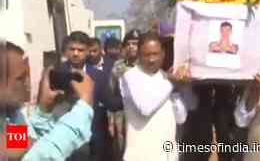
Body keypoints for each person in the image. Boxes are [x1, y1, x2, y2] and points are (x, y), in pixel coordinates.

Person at [0, 41, 95, 161]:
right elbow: (40, 156)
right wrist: (83, 109)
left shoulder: (11, 114)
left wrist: (43, 111)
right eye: (20, 78)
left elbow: (21, 152)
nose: (28, 84)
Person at [120, 33, 194, 161]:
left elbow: (181, 118)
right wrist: (172, 83)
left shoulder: (166, 78)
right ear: (139, 55)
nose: (151, 59)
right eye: (147, 55)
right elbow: (145, 108)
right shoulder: (130, 77)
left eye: (155, 54)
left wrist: (177, 92)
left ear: (163, 54)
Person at [64, 31, 121, 161]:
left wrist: (129, 97)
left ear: (87, 51)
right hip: (65, 143)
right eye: (72, 49)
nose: (76, 53)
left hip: (93, 144)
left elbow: (111, 103)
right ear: (66, 50)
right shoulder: (55, 73)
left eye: (80, 50)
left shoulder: (98, 76)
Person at [108, 29, 141, 158]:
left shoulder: (148, 65)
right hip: (122, 114)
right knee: (122, 150)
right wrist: (111, 121)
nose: (132, 47)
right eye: (129, 44)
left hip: (142, 114)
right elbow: (112, 93)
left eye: (136, 43)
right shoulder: (118, 66)